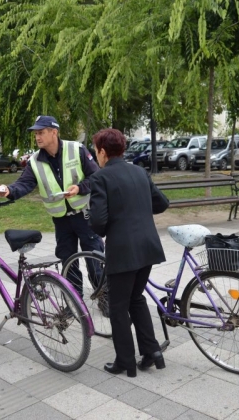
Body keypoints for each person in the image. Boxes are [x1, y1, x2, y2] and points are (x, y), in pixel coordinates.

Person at [89, 128, 169, 378]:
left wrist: (90, 216)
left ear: (102, 152)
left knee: (118, 306)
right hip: (147, 247)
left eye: (96, 151)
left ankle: (125, 361)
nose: (96, 156)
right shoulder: (139, 171)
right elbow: (162, 203)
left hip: (123, 252)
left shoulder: (101, 178)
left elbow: (99, 224)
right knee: (136, 299)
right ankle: (152, 352)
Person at [0, 115, 104, 296]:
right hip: (61, 220)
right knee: (68, 262)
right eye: (36, 133)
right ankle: (73, 301)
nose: (37, 137)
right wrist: (8, 190)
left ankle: (104, 297)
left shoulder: (76, 149)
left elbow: (97, 177)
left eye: (41, 132)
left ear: (54, 132)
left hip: (85, 215)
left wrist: (79, 188)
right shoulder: (35, 161)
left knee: (94, 259)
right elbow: (24, 183)